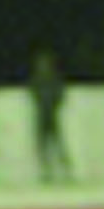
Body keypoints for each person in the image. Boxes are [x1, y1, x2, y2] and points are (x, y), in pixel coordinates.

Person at [28, 48, 71, 182]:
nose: (42, 66)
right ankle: (46, 171)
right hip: (41, 114)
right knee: (43, 144)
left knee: (57, 143)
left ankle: (65, 170)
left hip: (51, 114)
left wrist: (54, 105)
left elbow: (60, 93)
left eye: (44, 63)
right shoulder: (36, 79)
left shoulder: (54, 79)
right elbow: (33, 93)